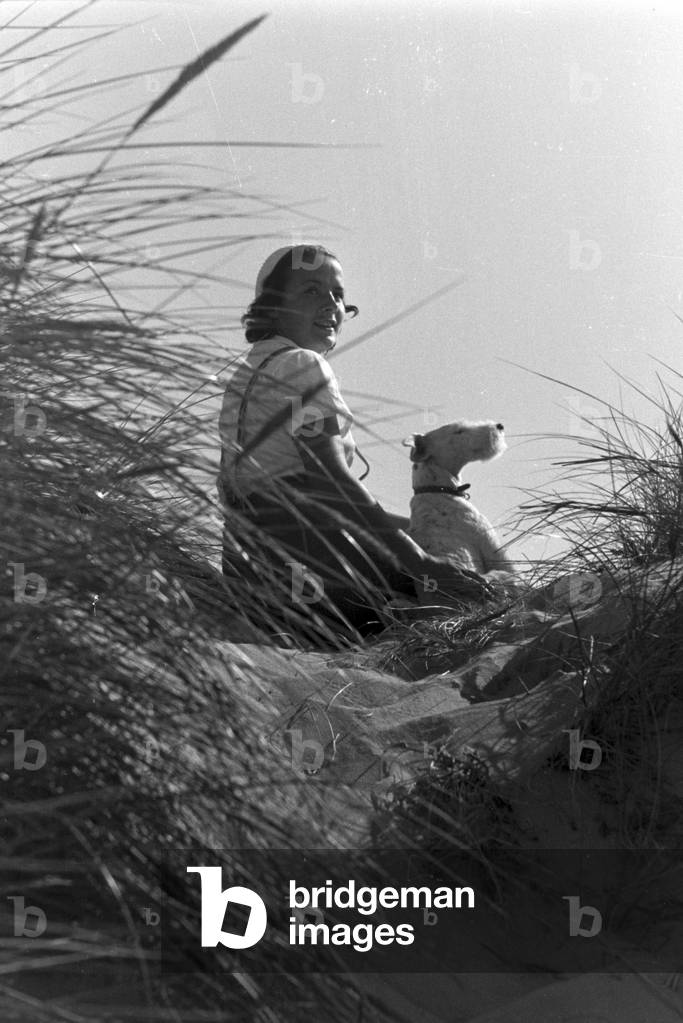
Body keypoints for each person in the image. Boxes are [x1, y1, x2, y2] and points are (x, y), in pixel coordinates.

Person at [217, 243, 493, 639]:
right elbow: (329, 483)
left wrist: (414, 532)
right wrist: (420, 563)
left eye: (338, 295)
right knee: (470, 594)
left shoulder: (242, 379)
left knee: (429, 549)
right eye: (311, 290)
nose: (331, 304)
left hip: (260, 569)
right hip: (322, 565)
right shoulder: (303, 364)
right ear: (273, 305)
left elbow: (234, 489)